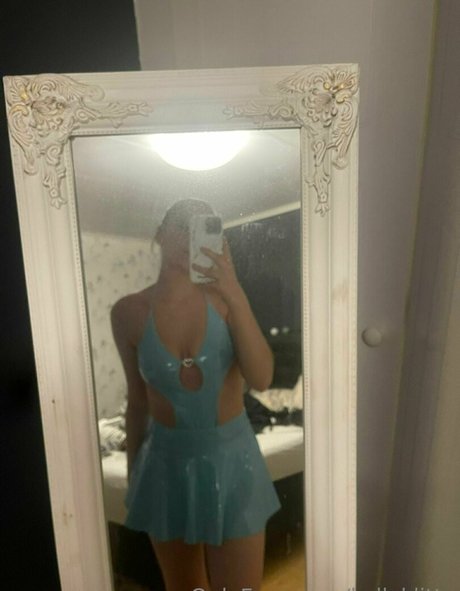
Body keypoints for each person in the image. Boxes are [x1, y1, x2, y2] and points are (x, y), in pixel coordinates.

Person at [111, 198, 281, 591]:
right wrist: (135, 477)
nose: (191, 236)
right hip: (164, 466)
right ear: (159, 233)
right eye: (181, 225)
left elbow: (262, 378)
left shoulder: (226, 301)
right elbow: (137, 402)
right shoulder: (128, 312)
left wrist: (235, 293)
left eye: (202, 227)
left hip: (234, 462)